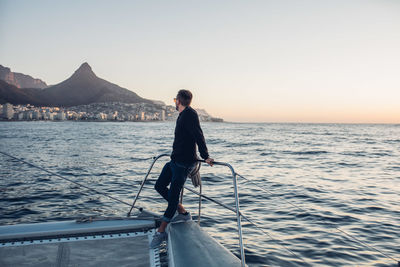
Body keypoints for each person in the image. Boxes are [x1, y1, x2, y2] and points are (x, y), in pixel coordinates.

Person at [150, 89, 214, 248]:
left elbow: (199, 135)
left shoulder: (190, 115)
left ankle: (161, 232)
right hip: (175, 161)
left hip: (184, 164)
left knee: (172, 198)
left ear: (178, 101)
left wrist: (205, 156)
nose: (174, 102)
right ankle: (184, 213)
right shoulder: (183, 115)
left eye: (174, 100)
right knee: (159, 186)